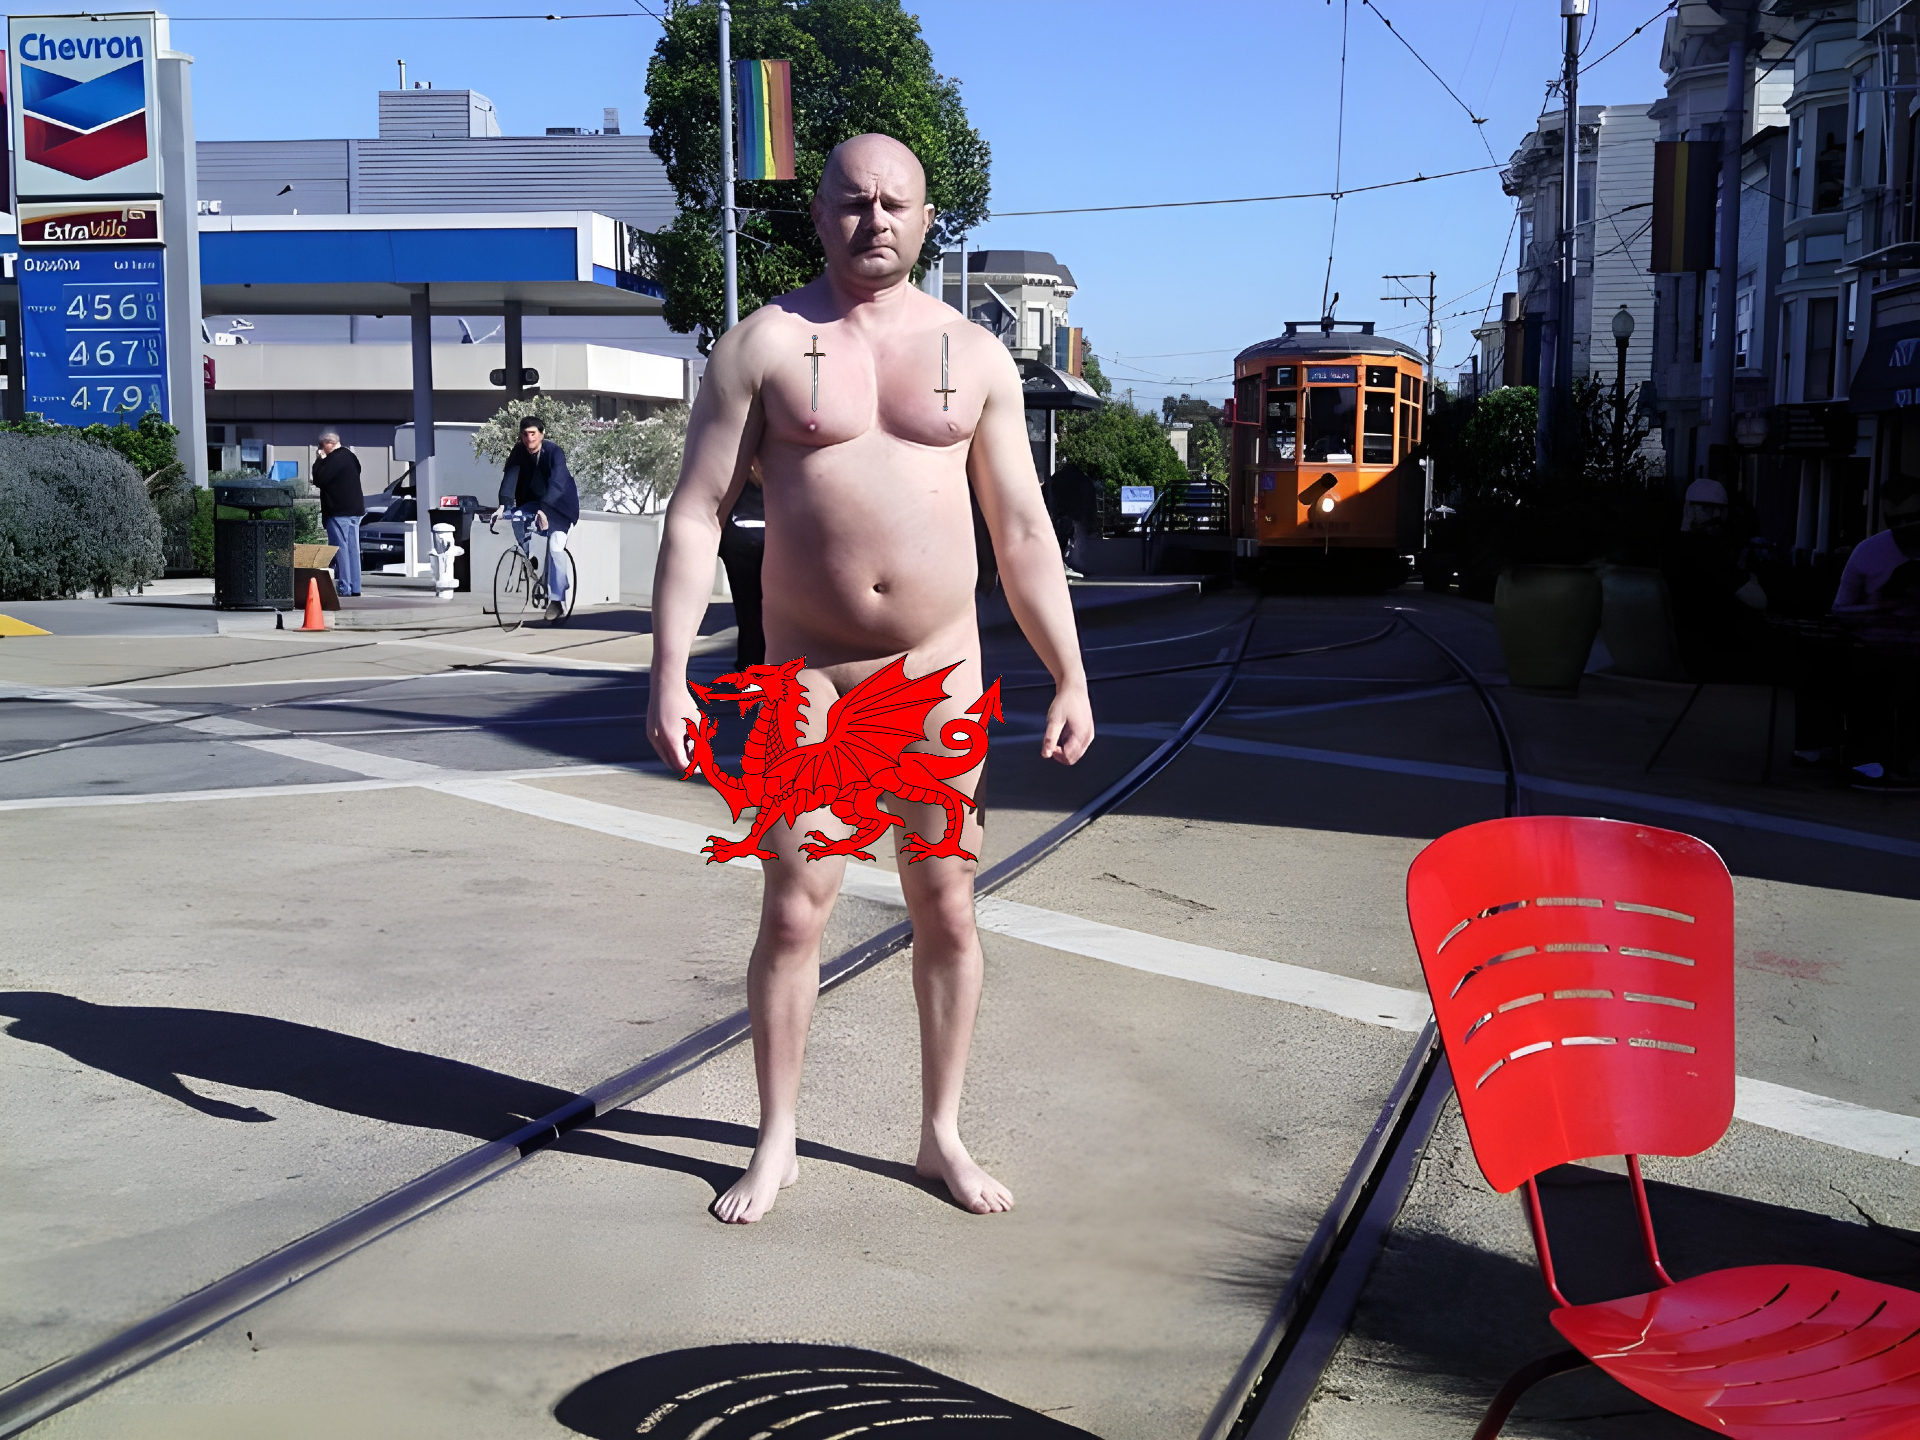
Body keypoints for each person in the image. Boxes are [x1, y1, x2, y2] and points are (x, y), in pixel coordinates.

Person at [646, 133, 1094, 1224]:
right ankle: (777, 1139)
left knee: (948, 905)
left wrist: (1070, 674)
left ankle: (941, 1134)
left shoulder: (975, 355)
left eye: (896, 203)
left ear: (927, 219)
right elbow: (698, 513)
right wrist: (667, 671)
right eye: (853, 201)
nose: (875, 219)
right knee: (795, 910)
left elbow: (1022, 532)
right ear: (820, 215)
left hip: (939, 679)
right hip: (806, 678)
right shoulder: (762, 344)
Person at [489, 415, 579, 622]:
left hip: (560, 507)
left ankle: (557, 600)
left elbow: (558, 483)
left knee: (556, 548)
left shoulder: (554, 452)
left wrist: (545, 510)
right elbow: (510, 477)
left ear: (542, 434)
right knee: (517, 518)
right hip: (533, 503)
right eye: (525, 434)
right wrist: (503, 505)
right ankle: (531, 559)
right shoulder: (519, 451)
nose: (529, 439)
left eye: (533, 434)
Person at [717, 468, 767, 667]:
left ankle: (751, 663)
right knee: (760, 611)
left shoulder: (735, 466)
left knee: (749, 611)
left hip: (740, 538)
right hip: (750, 539)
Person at [312, 432, 364, 598]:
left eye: (321, 446)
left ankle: (344, 586)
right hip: (355, 509)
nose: (320, 449)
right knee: (353, 549)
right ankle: (355, 586)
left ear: (329, 443)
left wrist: (319, 460)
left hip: (338, 510)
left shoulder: (333, 459)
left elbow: (320, 479)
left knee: (340, 549)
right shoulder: (351, 456)